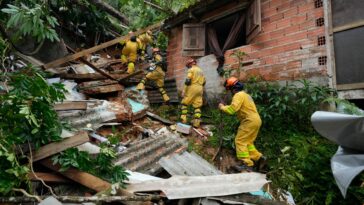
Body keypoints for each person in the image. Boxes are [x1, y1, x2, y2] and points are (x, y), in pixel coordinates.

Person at [219, 77, 263, 171]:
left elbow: (232, 110)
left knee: (240, 141)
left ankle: (247, 164)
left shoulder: (238, 95)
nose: (230, 92)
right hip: (256, 120)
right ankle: (259, 158)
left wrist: (222, 107)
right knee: (248, 142)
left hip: (249, 121)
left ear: (233, 88)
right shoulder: (246, 95)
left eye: (230, 89)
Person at [180, 58, 206, 128]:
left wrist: (184, 90)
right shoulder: (201, 71)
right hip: (200, 88)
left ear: (190, 64)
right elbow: (204, 82)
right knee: (197, 106)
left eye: (188, 66)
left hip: (192, 88)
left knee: (184, 104)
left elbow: (188, 80)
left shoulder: (191, 70)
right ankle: (196, 124)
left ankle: (183, 120)